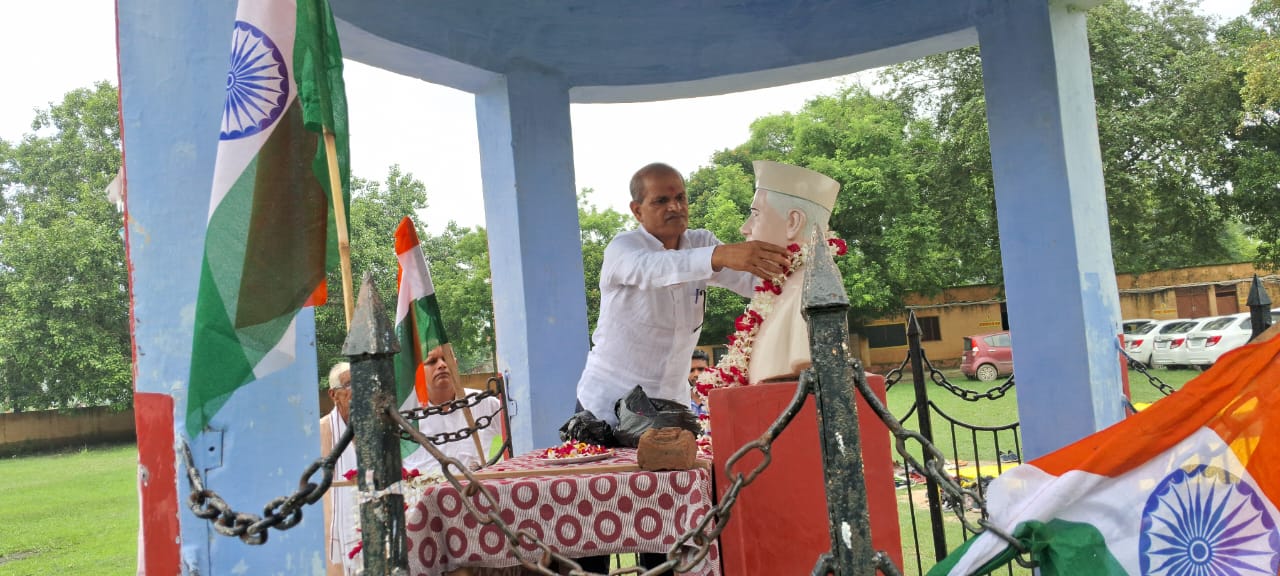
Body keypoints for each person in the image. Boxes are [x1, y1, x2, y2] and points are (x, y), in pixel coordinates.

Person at [574, 162, 792, 425]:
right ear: (637, 210)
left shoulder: (701, 243)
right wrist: (717, 256)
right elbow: (653, 268)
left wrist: (796, 262)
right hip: (607, 408)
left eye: (680, 198)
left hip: (671, 407)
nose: (675, 207)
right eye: (661, 201)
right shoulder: (623, 248)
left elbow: (753, 283)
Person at [737, 160, 841, 383]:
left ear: (793, 222)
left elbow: (812, 365)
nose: (745, 228)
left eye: (756, 215)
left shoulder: (812, 283)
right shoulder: (780, 288)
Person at [402, 345, 504, 474]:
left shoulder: (484, 403)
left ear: (455, 364)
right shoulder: (404, 414)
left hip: (474, 486)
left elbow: (517, 434)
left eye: (446, 359)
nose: (441, 365)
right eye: (432, 361)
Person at [320, 362, 359, 576]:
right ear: (333, 394)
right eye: (349, 384)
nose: (357, 389)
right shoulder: (321, 430)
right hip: (335, 526)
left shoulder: (377, 426)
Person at [688, 349, 710, 416]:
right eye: (691, 370)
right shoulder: (680, 400)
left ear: (709, 369)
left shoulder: (719, 398)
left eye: (701, 369)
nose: (696, 374)